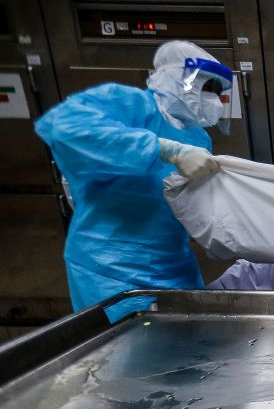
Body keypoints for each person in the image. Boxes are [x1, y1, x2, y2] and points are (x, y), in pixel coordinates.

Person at [35, 40, 232, 321]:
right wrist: (164, 149)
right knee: (124, 345)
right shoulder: (129, 104)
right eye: (207, 87)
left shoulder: (198, 137)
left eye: (217, 91)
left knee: (183, 341)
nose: (213, 98)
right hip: (109, 268)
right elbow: (64, 126)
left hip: (172, 263)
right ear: (178, 80)